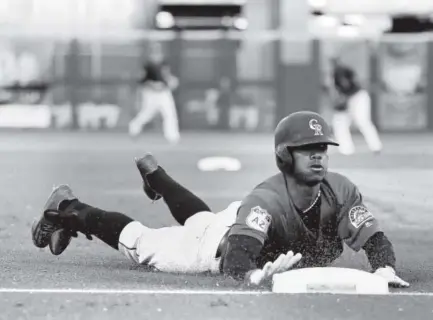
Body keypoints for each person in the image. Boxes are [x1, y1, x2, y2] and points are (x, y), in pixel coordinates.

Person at [31, 111, 408, 288]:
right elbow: (235, 256)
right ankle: (66, 208)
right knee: (142, 241)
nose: (318, 155)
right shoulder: (266, 200)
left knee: (202, 218)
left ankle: (156, 176)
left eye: (322, 147)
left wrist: (385, 268)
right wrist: (254, 274)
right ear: (283, 156)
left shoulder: (341, 191)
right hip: (210, 248)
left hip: (228, 220)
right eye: (306, 148)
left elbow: (375, 239)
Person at [128, 42, 180, 144]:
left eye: (158, 49)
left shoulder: (164, 63)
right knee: (147, 113)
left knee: (169, 113)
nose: (156, 52)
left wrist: (172, 81)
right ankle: (134, 128)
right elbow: (141, 80)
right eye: (154, 50)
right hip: (150, 93)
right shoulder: (147, 65)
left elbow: (167, 76)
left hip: (164, 92)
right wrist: (152, 85)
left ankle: (172, 136)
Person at [330, 58, 382, 155]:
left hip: (357, 96)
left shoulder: (342, 71)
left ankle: (375, 146)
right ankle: (346, 149)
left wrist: (342, 99)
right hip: (349, 97)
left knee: (362, 121)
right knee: (339, 122)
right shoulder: (337, 73)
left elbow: (348, 85)